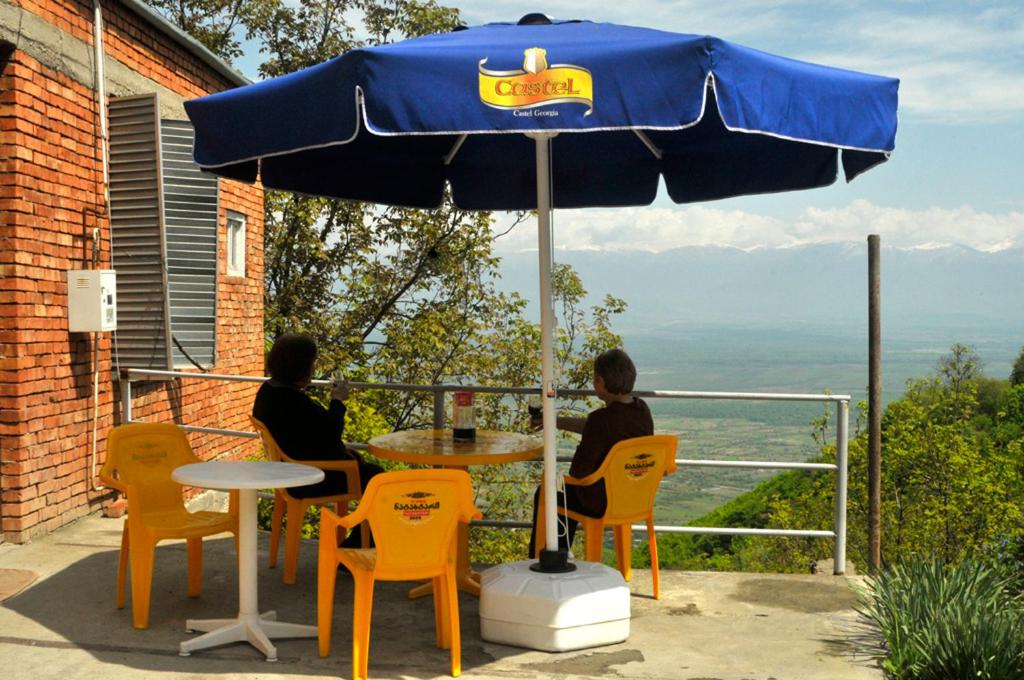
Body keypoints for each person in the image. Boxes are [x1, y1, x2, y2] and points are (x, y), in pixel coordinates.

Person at [252, 333, 382, 547]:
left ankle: (360, 543)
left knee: (369, 472)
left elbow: (309, 437)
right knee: (378, 480)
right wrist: (338, 401)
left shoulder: (268, 392)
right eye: (312, 363)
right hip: (309, 479)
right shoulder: (293, 402)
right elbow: (330, 433)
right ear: (300, 367)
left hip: (288, 471)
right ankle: (357, 546)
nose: (314, 368)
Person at [527, 348, 654, 557]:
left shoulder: (601, 420)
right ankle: (559, 555)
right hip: (634, 497)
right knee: (564, 494)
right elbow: (601, 427)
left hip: (601, 502)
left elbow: (579, 473)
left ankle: (549, 558)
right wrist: (553, 420)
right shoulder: (641, 410)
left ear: (600, 382)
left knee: (549, 493)